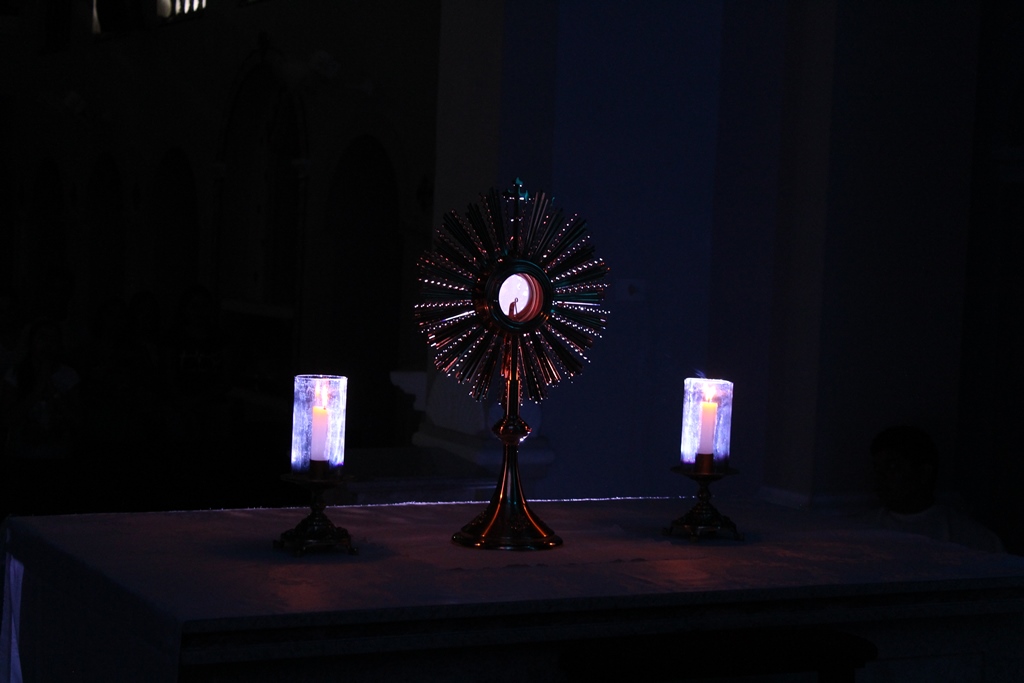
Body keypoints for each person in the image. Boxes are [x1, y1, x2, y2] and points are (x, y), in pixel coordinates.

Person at [869, 425, 1004, 553]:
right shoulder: (864, 532)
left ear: (924, 473)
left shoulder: (971, 538)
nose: (879, 476)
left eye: (892, 466)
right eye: (876, 468)